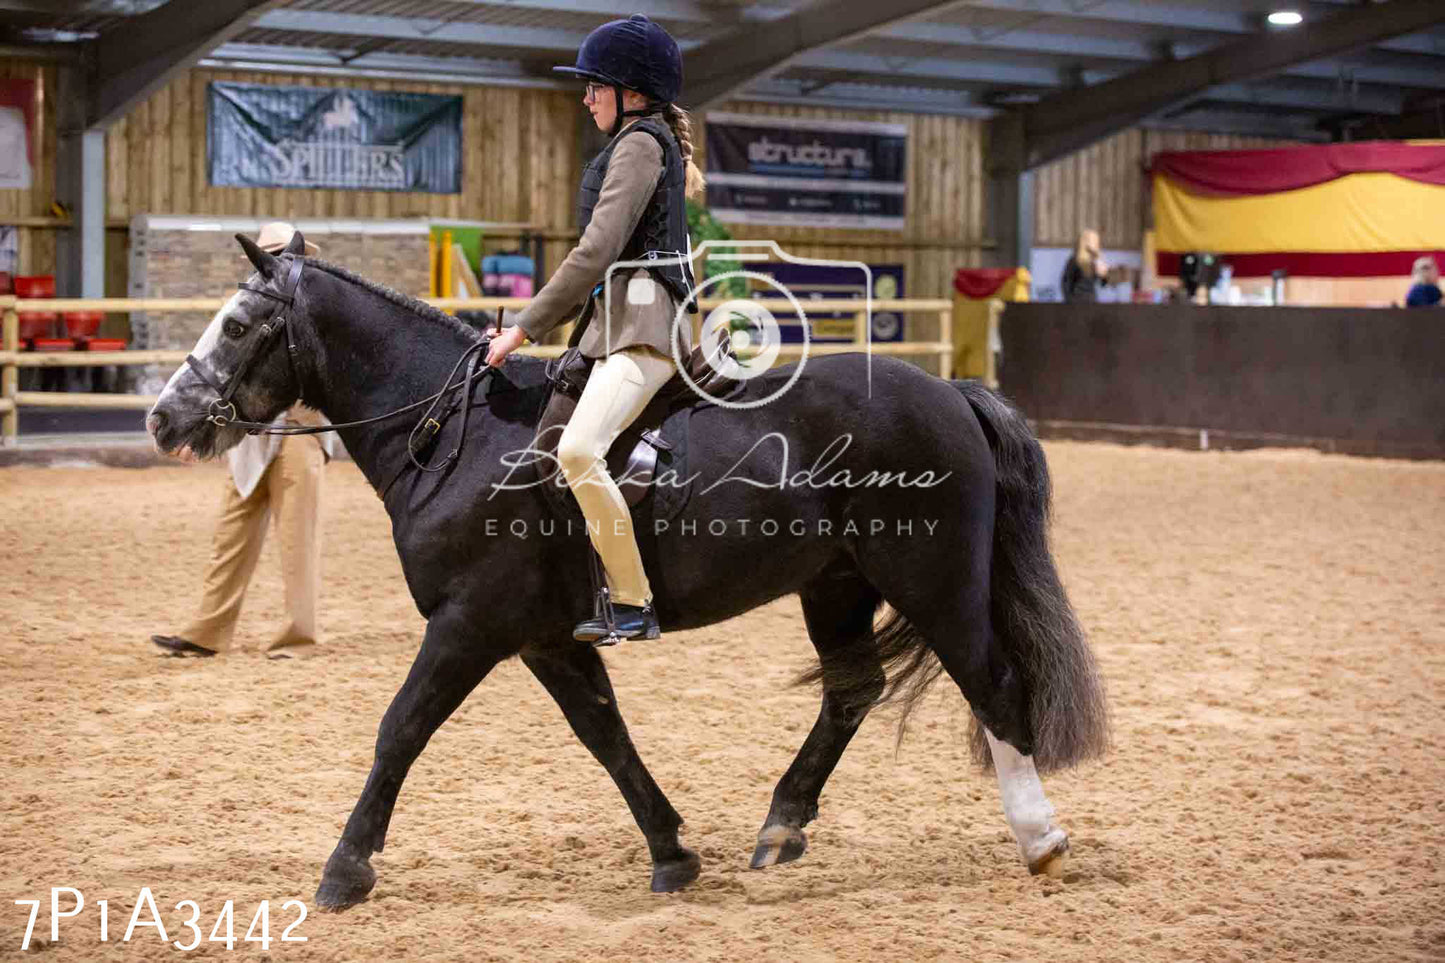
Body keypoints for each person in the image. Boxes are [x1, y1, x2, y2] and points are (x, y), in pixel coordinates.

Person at [484, 14, 704, 644]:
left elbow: (594, 252)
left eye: (594, 87)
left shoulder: (639, 144)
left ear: (631, 92)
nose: (585, 99)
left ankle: (635, 602)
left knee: (577, 451)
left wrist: (520, 330)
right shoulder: (638, 138)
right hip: (613, 328)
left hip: (644, 331)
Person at [151, 222, 334, 660]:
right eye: (269, 253)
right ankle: (206, 632)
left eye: (283, 253)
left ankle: (297, 638)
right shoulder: (249, 305)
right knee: (230, 534)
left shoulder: (315, 305)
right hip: (250, 436)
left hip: (298, 429)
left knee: (297, 540)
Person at [1061, 228, 1109, 303]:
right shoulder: (1074, 260)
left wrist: (1104, 275)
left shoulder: (1096, 260)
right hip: (1076, 301)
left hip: (1092, 301)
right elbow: (1066, 283)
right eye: (1093, 240)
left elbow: (1103, 284)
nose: (1096, 243)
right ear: (1085, 242)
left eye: (1096, 240)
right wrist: (1069, 301)